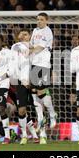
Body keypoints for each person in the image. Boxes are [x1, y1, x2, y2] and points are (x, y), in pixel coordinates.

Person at [29, 12, 56, 144]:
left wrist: (29, 51)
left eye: (41, 19)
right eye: (37, 19)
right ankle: (41, 123)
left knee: (41, 92)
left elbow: (39, 47)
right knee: (36, 95)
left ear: (46, 20)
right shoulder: (34, 31)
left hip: (44, 65)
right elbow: (31, 44)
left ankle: (52, 113)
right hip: (34, 64)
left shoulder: (48, 31)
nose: (39, 21)